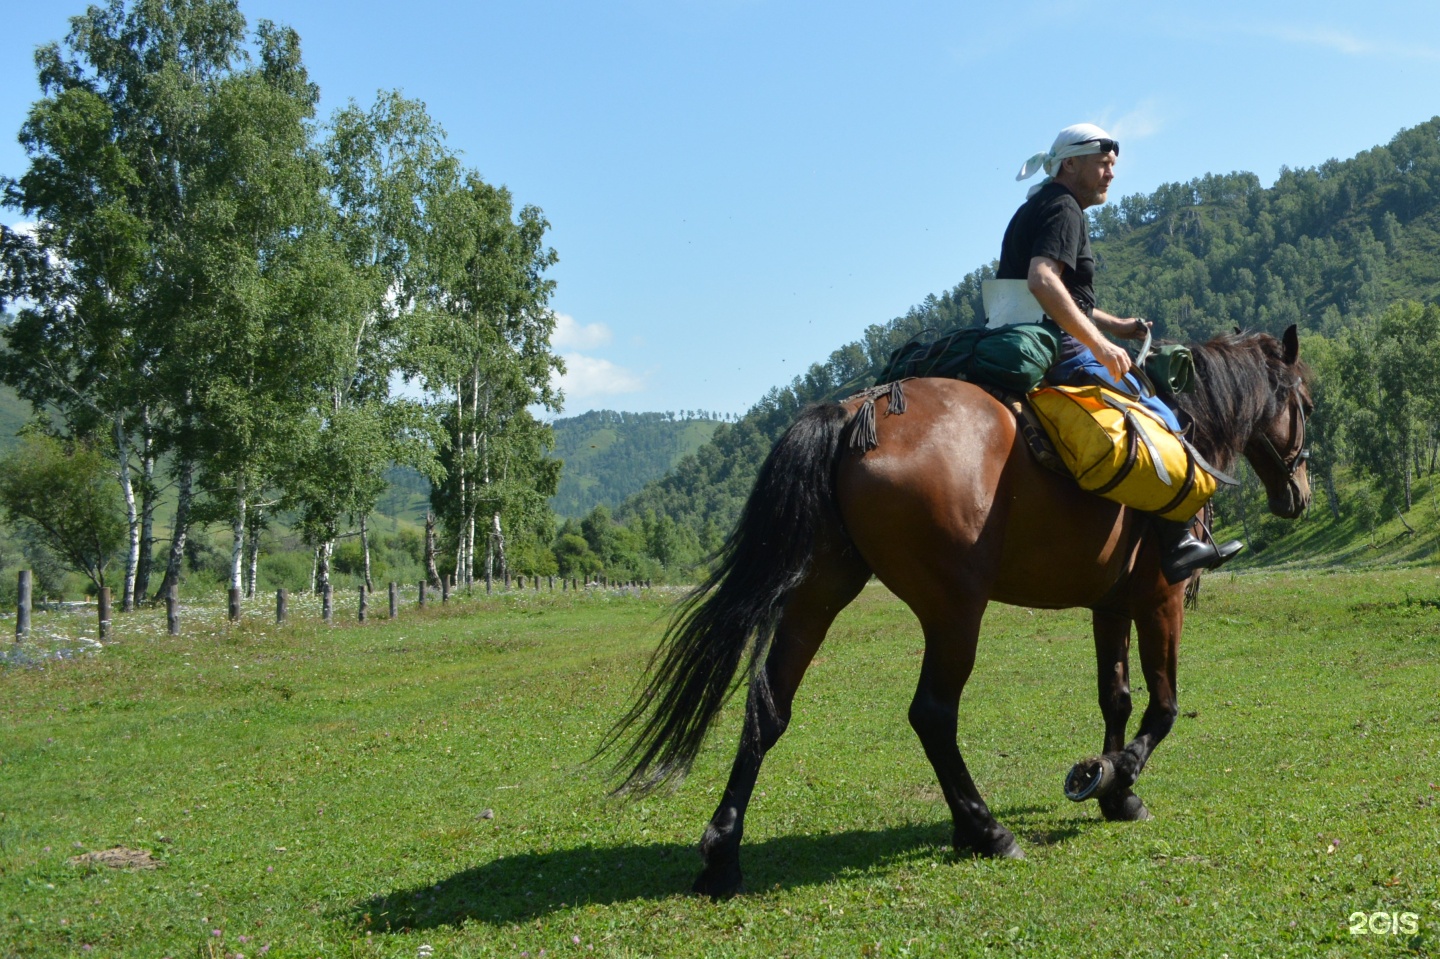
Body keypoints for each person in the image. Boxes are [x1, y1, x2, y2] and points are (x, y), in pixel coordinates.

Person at [997, 123, 1242, 583]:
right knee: (1163, 417)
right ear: (1071, 164)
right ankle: (1178, 542)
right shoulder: (1065, 209)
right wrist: (1100, 345)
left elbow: (1067, 297)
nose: (1110, 174)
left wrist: (1117, 326)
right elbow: (1043, 281)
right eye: (1102, 164)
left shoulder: (1040, 204)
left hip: (1021, 336)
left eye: (1113, 165)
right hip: (1058, 349)